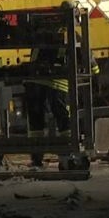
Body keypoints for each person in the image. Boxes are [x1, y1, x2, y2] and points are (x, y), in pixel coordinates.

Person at [23, 30, 99, 168]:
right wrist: (95, 74)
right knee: (64, 121)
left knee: (36, 123)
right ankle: (67, 155)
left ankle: (36, 158)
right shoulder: (71, 34)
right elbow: (87, 57)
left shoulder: (41, 32)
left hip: (35, 81)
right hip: (58, 83)